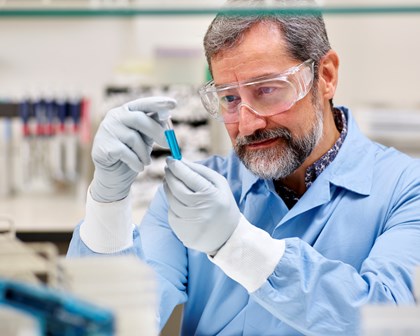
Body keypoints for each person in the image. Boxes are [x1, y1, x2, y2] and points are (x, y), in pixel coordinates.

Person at [67, 1, 420, 335]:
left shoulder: (406, 189)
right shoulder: (191, 197)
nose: (247, 123)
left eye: (267, 90)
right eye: (230, 99)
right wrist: (107, 205)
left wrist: (237, 244)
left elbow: (386, 319)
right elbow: (117, 324)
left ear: (325, 76)